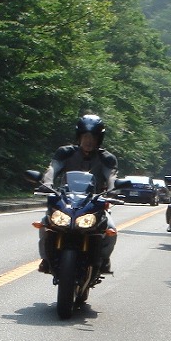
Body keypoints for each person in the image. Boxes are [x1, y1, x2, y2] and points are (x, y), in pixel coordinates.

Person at [38, 114, 119, 274]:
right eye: (85, 136)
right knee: (45, 224)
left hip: (94, 203)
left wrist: (114, 190)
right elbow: (52, 169)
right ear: (79, 137)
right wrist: (46, 184)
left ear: (99, 139)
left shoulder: (106, 158)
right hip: (65, 201)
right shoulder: (65, 153)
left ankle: (104, 259)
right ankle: (46, 259)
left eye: (93, 137)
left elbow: (112, 176)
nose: (89, 141)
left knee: (111, 229)